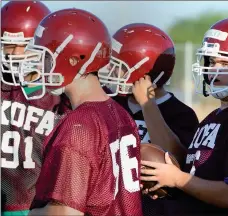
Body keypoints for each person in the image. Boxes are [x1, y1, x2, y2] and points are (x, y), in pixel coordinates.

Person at [140, 18, 228, 215]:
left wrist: (178, 179)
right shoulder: (217, 115)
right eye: (211, 61)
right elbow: (191, 165)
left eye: (224, 62)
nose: (212, 69)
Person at [19, 8, 142, 216]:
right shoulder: (120, 113)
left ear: (74, 60)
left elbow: (67, 213)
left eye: (46, 56)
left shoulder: (80, 126)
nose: (41, 65)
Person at [1, 2, 71, 216]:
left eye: (20, 45)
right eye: (6, 46)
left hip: (41, 206)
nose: (12, 54)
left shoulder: (62, 95)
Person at [99, 23, 199, 162]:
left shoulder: (181, 114)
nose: (112, 71)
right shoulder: (113, 103)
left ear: (143, 73)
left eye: (119, 66)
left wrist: (148, 105)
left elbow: (176, 158)